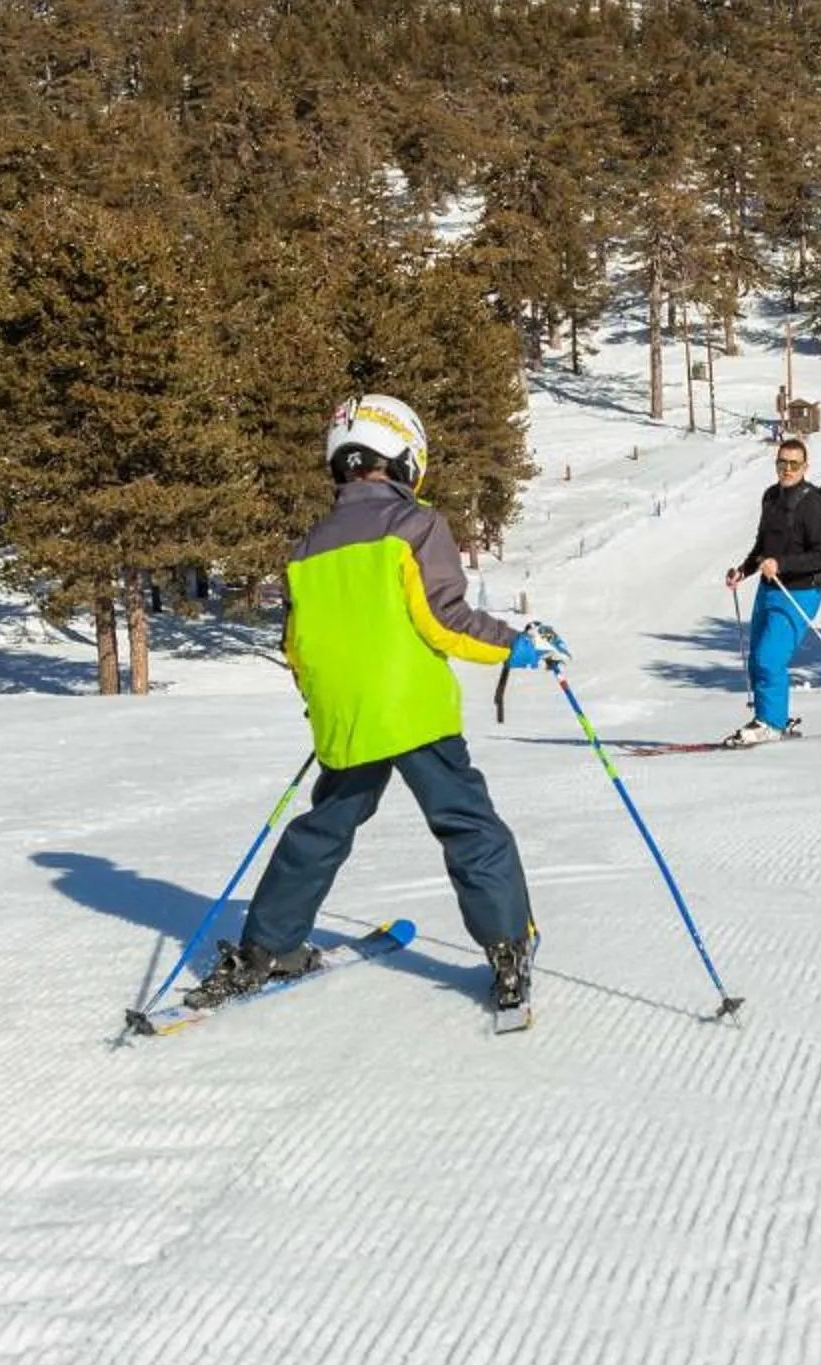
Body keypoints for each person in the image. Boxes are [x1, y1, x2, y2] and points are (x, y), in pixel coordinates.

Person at [185, 393, 561, 1018]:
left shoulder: (308, 548)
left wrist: (326, 701)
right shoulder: (415, 525)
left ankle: (264, 948)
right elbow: (444, 620)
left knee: (324, 827)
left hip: (345, 715)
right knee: (467, 823)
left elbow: (297, 646)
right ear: (405, 456)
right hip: (413, 712)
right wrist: (516, 645)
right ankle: (506, 947)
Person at [720, 435, 821, 746]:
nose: (787, 469)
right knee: (757, 660)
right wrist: (744, 570)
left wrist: (782, 563)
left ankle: (771, 724)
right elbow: (763, 547)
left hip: (801, 591)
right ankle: (770, 717)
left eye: (794, 464)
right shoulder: (771, 498)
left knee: (769, 658)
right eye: (782, 462)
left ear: (805, 466)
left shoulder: (816, 506)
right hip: (769, 587)